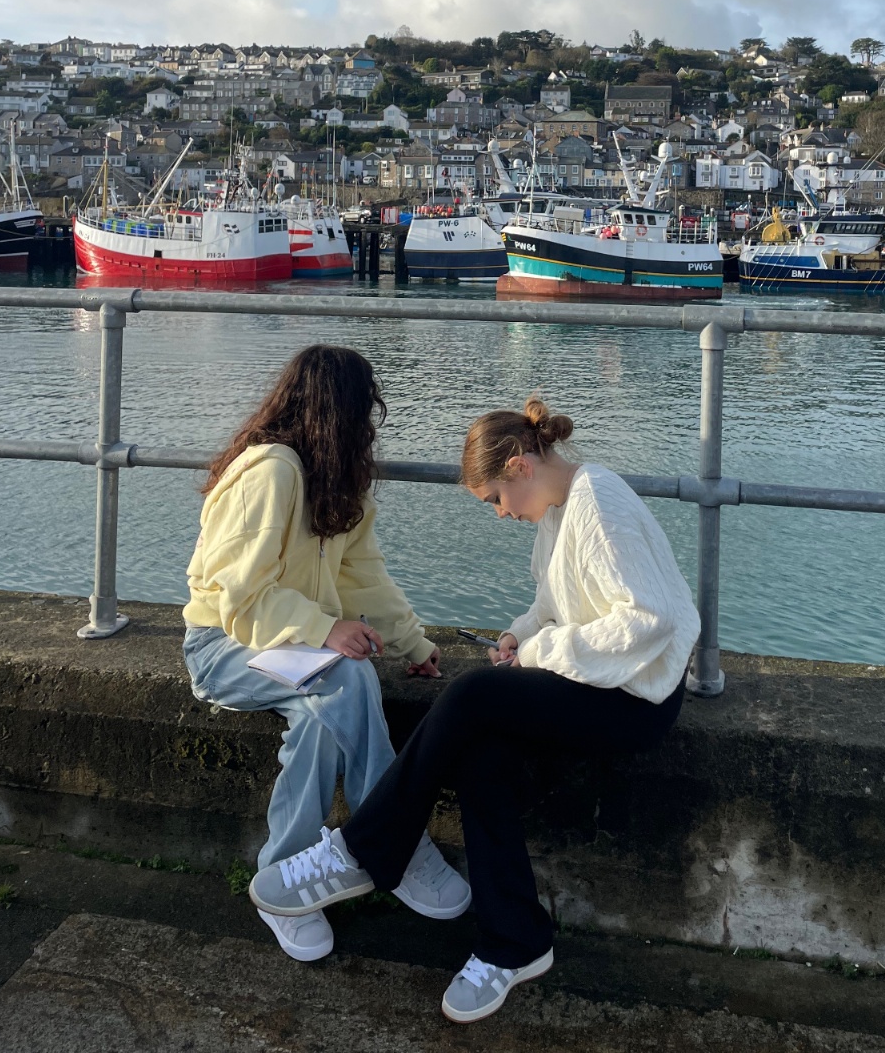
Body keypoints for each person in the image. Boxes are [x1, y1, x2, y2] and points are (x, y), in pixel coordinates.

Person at [250, 395, 700, 1022]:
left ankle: (359, 852)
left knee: (471, 694)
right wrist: (520, 634)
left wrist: (538, 652)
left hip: (638, 696)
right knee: (481, 755)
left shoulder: (599, 503)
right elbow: (555, 603)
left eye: (495, 498)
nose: (500, 513)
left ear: (520, 466)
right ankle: (514, 942)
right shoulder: (561, 508)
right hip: (602, 681)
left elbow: (647, 622)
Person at [183, 343, 470, 963]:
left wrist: (414, 644)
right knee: (349, 678)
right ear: (340, 411)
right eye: (364, 410)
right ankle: (395, 841)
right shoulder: (270, 472)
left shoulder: (339, 483)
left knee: (320, 720)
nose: (370, 426)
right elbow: (238, 599)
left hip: (293, 653)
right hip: (222, 645)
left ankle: (283, 883)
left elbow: (365, 579)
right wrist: (323, 629)